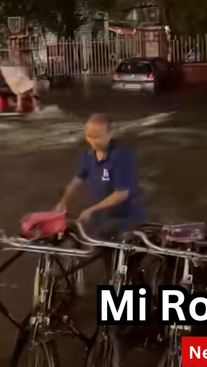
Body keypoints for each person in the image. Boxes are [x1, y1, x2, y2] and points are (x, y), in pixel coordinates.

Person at [55, 114, 145, 275]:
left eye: (97, 137)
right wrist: (62, 203)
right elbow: (76, 181)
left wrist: (91, 210)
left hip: (126, 216)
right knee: (105, 258)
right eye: (89, 136)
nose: (92, 141)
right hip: (101, 216)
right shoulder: (86, 155)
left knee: (123, 265)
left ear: (110, 134)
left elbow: (121, 194)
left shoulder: (122, 156)